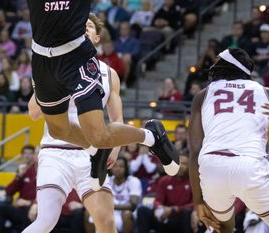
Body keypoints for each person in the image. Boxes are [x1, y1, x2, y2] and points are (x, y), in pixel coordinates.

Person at [27, 0, 179, 186]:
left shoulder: (108, 71)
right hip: (42, 58)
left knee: (99, 136)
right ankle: (96, 152)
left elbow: (116, 117)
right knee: (58, 130)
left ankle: (151, 136)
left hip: (75, 57)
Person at [23, 13, 120, 233]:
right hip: (56, 151)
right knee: (46, 220)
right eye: (80, 26)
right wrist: (54, 83)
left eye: (89, 27)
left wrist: (117, 147)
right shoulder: (52, 66)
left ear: (97, 38)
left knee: (106, 222)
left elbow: (117, 119)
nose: (84, 29)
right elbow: (33, 112)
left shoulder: (109, 73)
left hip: (92, 155)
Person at [189, 48, 269, 233]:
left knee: (224, 228)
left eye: (217, 61)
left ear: (226, 65)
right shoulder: (267, 93)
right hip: (250, 165)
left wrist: (198, 201)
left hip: (211, 165)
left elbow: (195, 151)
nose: (213, 65)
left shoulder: (202, 95)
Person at [0, 145, 36, 233]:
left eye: (30, 153)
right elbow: (8, 192)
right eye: (25, 153)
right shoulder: (22, 171)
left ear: (34, 156)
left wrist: (29, 202)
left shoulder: (38, 170)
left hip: (33, 207)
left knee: (27, 211)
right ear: (21, 156)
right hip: (20, 207)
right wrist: (18, 176)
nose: (27, 156)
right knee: (1, 208)